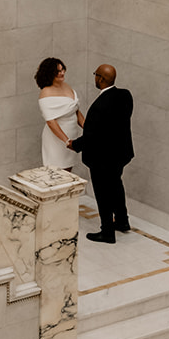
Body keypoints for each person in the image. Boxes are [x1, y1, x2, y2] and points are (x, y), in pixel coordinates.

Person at [71, 62, 133, 243]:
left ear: (101, 79)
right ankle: (122, 221)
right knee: (116, 186)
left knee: (103, 193)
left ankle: (107, 232)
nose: (95, 78)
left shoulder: (99, 106)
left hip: (102, 158)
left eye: (95, 75)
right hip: (121, 153)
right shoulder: (125, 95)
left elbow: (91, 135)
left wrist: (74, 144)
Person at [36, 56, 83, 170]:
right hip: (57, 139)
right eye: (58, 71)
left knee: (68, 170)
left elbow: (75, 110)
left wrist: (88, 127)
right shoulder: (45, 93)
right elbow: (51, 122)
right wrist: (66, 141)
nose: (62, 73)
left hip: (72, 134)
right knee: (58, 172)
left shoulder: (66, 86)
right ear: (50, 74)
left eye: (62, 70)